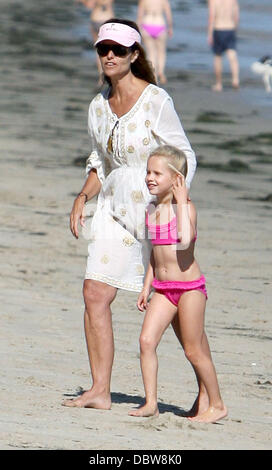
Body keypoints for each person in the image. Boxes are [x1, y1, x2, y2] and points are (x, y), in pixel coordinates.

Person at [62, 19, 197, 410]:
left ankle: (209, 394)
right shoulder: (98, 106)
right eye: (103, 48)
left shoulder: (157, 101)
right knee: (94, 293)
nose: (109, 56)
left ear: (134, 55)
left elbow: (184, 156)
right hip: (113, 212)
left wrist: (175, 202)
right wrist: (82, 197)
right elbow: (100, 163)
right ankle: (100, 390)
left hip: (154, 217)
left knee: (174, 311)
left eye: (118, 50)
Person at [129, 145, 227, 423]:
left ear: (176, 179)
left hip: (189, 289)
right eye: (148, 171)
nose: (149, 177)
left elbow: (185, 241)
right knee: (146, 340)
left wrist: (182, 202)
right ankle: (150, 403)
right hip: (163, 288)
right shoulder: (151, 209)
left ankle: (217, 404)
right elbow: (153, 254)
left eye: (157, 173)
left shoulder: (186, 208)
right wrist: (146, 285)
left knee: (193, 349)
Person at [76, 1, 115, 81]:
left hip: (96, 19)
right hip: (108, 20)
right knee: (111, 49)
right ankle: (111, 75)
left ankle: (101, 77)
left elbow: (89, 5)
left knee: (99, 51)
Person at [137, 0, 173, 84]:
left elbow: (140, 16)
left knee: (151, 53)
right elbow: (168, 15)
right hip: (159, 23)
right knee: (161, 52)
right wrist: (170, 27)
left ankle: (154, 75)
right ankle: (161, 72)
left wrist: (138, 30)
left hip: (147, 24)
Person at [208, 0, 240, 91]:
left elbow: (211, 17)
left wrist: (210, 34)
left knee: (218, 57)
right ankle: (235, 79)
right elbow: (236, 16)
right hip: (230, 28)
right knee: (232, 55)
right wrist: (235, 28)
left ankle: (219, 84)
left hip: (218, 29)